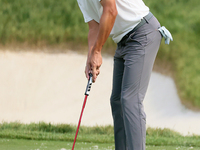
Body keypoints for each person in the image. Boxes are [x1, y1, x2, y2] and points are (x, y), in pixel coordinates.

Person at [77, 0, 172, 150]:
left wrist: (97, 51)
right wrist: (90, 57)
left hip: (142, 32)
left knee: (130, 99)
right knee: (117, 101)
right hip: (123, 42)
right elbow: (94, 27)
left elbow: (111, 10)